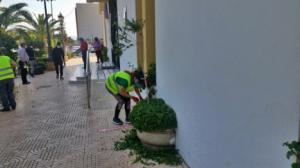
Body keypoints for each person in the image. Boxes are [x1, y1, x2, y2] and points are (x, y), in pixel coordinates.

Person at [0, 47, 17, 112]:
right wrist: (10, 68)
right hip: (10, 78)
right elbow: (15, 64)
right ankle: (13, 105)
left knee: (3, 94)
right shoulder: (7, 58)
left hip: (1, 79)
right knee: (10, 92)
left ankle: (6, 107)